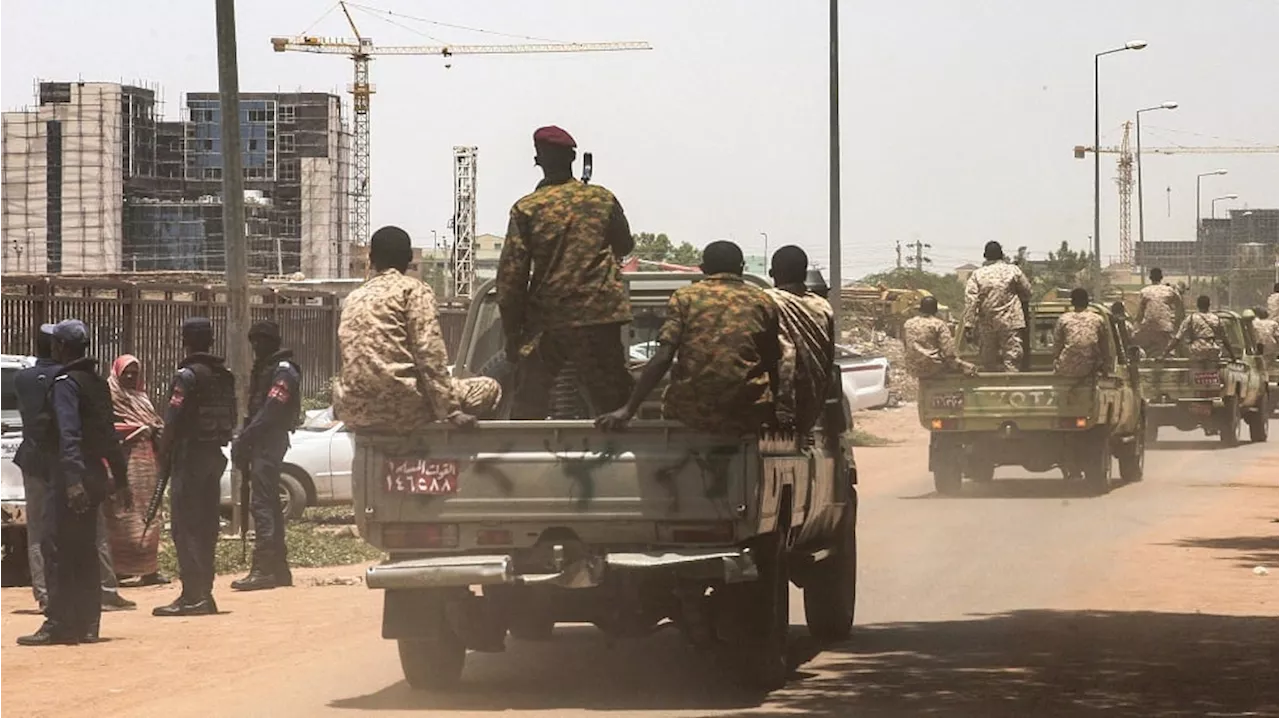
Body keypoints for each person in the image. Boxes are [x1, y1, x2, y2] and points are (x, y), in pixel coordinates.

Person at [498, 125, 635, 419]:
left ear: (539, 159)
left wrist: (512, 334)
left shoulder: (527, 208)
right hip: (599, 315)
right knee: (615, 404)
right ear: (573, 158)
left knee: (528, 402)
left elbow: (512, 278)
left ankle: (521, 460)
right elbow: (625, 244)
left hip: (549, 320)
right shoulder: (602, 199)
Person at [19, 320, 131, 646]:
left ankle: (59, 622)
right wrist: (121, 479)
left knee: (57, 548)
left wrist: (71, 481)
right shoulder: (97, 383)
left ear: (61, 348)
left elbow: (69, 434)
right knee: (85, 550)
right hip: (96, 474)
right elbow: (110, 435)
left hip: (72, 477)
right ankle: (88, 623)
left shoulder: (66, 383)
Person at [596, 241, 781, 435]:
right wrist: (779, 413)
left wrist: (628, 410)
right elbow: (773, 361)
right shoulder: (762, 301)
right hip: (747, 411)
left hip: (692, 412)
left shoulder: (685, 297)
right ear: (741, 267)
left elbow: (664, 356)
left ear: (703, 268)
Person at [335, 225, 499, 430]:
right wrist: (451, 411)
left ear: (371, 259)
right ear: (409, 257)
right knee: (488, 387)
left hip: (353, 411)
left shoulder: (354, 297)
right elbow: (429, 353)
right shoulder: (413, 290)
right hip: (402, 408)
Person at [152, 318, 236, 617]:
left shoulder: (186, 376)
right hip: (214, 456)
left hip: (189, 458)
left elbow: (172, 420)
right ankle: (205, 593)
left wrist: (162, 455)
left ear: (185, 341)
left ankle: (193, 596)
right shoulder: (224, 376)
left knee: (186, 528)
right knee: (207, 526)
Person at [229, 320, 300, 592]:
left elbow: (271, 409)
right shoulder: (265, 369)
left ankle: (264, 569)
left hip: (270, 441)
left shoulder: (283, 371)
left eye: (262, 340)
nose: (257, 346)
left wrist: (246, 438)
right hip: (260, 442)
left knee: (262, 505)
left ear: (273, 341)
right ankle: (279, 569)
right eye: (254, 341)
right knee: (267, 503)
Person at [103, 355, 167, 587]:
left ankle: (149, 569)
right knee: (122, 515)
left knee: (150, 514)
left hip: (148, 466)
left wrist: (155, 431)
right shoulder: (110, 396)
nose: (130, 377)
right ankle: (120, 570)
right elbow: (108, 428)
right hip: (122, 463)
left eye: (134, 373)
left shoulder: (143, 398)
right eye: (126, 373)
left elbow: (155, 423)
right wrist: (136, 429)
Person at [14, 326, 61, 614]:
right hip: (58, 459)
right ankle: (62, 591)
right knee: (64, 527)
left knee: (37, 530)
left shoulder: (22, 378)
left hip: (31, 458)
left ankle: (43, 594)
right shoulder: (66, 378)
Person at [765, 246, 834, 433]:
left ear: (772, 273)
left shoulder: (767, 301)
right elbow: (829, 357)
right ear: (804, 274)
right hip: (812, 403)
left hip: (775, 404)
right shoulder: (823, 306)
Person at [962, 241, 1032, 372]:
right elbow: (1028, 292)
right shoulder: (1013, 270)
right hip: (1011, 323)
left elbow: (971, 301)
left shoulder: (977, 275)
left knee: (988, 362)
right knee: (1012, 360)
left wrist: (969, 324)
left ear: (985, 256)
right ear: (1002, 255)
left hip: (987, 324)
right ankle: (1011, 388)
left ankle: (990, 389)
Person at [903, 296, 977, 378]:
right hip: (932, 367)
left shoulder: (908, 324)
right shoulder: (939, 324)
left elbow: (906, 344)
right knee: (965, 368)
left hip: (913, 368)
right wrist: (962, 365)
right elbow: (948, 351)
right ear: (935, 310)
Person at [1053, 289, 1112, 377]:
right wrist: (1106, 366)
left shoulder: (1063, 319)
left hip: (1067, 368)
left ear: (1072, 302)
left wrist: (1056, 360)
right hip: (1091, 369)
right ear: (1087, 302)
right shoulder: (1098, 319)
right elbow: (1105, 347)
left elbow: (1057, 346)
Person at [1134, 268, 1182, 356]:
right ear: (1161, 277)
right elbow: (1180, 307)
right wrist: (1176, 323)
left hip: (1148, 328)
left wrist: (1136, 328)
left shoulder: (1144, 291)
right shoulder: (1170, 290)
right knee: (1169, 352)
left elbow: (1139, 315)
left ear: (1150, 278)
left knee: (1146, 350)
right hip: (1165, 327)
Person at [1169, 295, 1228, 361]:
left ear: (1197, 305)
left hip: (1196, 351)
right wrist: (1233, 357)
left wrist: (1164, 354)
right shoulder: (1216, 319)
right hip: (1212, 351)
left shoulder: (1191, 318)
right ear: (1209, 305)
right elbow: (1225, 339)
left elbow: (1178, 338)